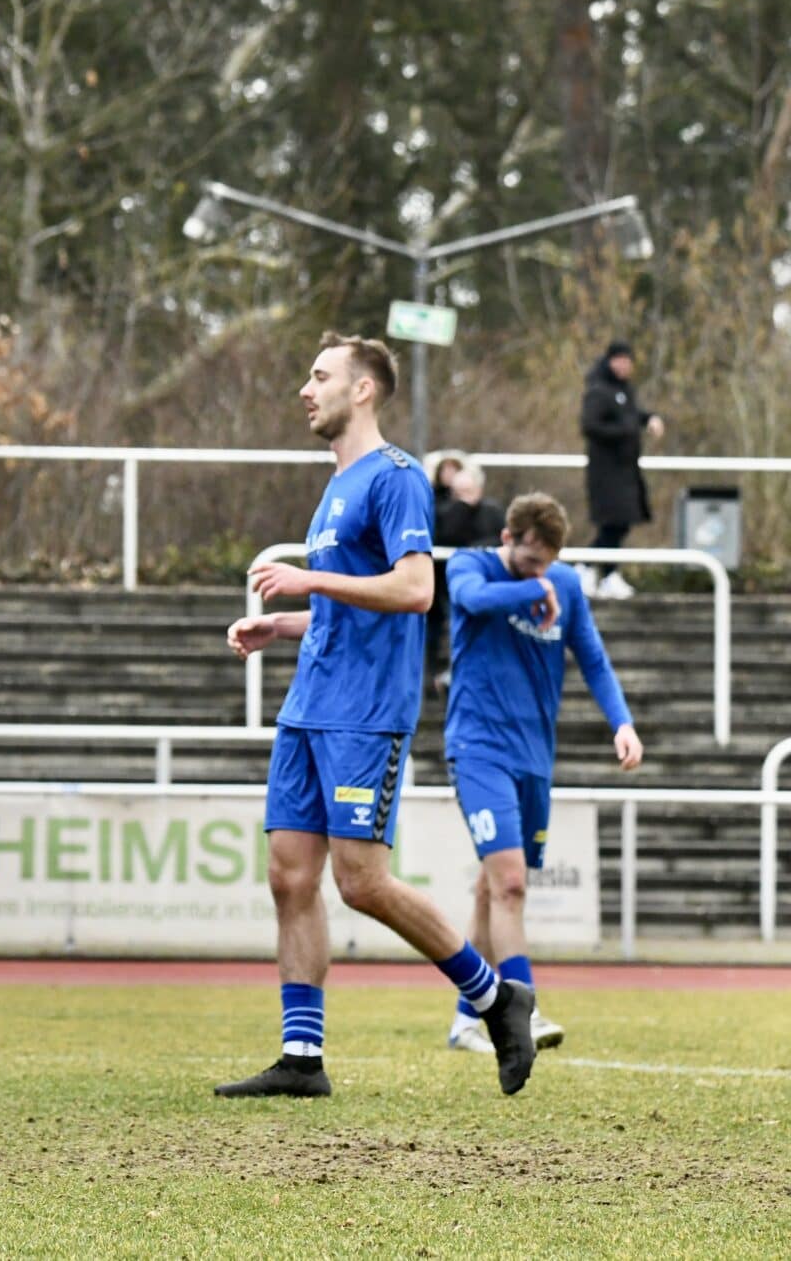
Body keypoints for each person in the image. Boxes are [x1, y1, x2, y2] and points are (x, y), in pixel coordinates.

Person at [218, 331, 538, 1100]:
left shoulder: (396, 477)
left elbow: (415, 588)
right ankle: (302, 1056)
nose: (306, 386)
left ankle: (496, 996)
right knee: (290, 876)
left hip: (366, 712)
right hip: (310, 704)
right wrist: (284, 625)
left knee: (362, 882)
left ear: (363, 389)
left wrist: (308, 582)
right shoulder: (335, 487)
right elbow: (348, 601)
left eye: (320, 373)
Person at [442, 492, 642, 1055]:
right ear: (508, 540)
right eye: (531, 562)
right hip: (478, 748)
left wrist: (621, 723)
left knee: (491, 888)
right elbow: (472, 600)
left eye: (548, 564)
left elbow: (593, 659)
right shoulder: (470, 565)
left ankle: (464, 1022)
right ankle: (520, 1011)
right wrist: (535, 589)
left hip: (535, 757)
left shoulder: (568, 584)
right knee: (509, 884)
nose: (540, 574)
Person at [578, 340, 664, 599]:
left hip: (626, 471)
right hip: (606, 472)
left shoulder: (624, 391)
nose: (626, 366)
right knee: (612, 523)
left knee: (622, 523)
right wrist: (626, 431)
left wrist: (648, 419)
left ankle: (603, 572)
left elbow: (632, 414)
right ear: (611, 361)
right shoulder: (598, 391)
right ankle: (588, 567)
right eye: (622, 360)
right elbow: (590, 425)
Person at [425, 454, 505, 695]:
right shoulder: (443, 510)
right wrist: (462, 507)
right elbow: (446, 536)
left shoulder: (491, 511)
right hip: (444, 585)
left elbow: (500, 538)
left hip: (483, 584)